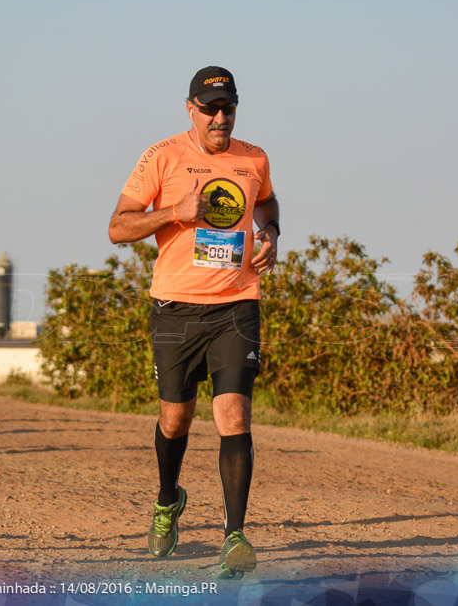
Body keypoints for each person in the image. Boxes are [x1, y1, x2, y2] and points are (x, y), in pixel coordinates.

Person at [108, 66, 280, 579]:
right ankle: (167, 500)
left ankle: (234, 537)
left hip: (236, 305)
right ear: (191, 110)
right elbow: (118, 227)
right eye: (210, 109)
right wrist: (175, 213)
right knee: (175, 420)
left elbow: (266, 202)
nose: (220, 117)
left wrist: (270, 232)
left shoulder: (254, 159)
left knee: (234, 416)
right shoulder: (161, 157)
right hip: (176, 308)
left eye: (228, 107)